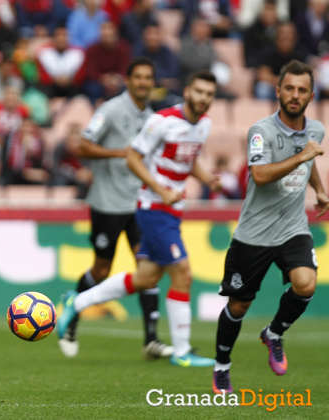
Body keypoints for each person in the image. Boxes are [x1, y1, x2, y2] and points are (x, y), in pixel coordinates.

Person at [58, 70, 222, 367]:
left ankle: (77, 302)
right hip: (150, 207)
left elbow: (188, 157)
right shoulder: (160, 120)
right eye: (198, 92)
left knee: (146, 277)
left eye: (209, 94)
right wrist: (160, 188)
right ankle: (181, 351)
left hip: (171, 210)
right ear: (186, 92)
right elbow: (133, 157)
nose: (203, 98)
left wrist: (208, 178)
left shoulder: (204, 125)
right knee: (181, 273)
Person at [212, 60, 329, 394]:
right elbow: (260, 176)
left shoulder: (315, 130)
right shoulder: (261, 132)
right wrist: (303, 155)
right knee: (239, 305)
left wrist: (318, 189)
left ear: (311, 94)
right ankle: (222, 367)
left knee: (306, 284)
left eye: (302, 90)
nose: (295, 95)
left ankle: (274, 334)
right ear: (278, 91)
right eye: (289, 88)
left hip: (293, 227)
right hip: (254, 234)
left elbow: (309, 160)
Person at [57, 57, 172, 359]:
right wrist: (120, 152)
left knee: (147, 267)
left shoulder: (151, 117)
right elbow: (81, 146)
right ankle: (72, 317)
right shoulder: (109, 110)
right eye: (139, 77)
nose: (144, 82)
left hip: (138, 205)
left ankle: (151, 339)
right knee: (102, 269)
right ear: (128, 80)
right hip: (107, 203)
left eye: (149, 77)